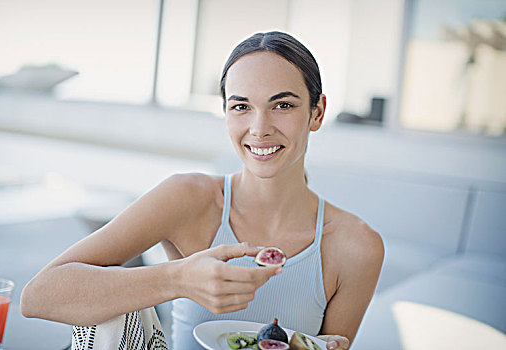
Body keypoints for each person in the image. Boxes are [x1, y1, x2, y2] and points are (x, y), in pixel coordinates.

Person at [20, 31, 384, 350]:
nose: (259, 128)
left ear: (317, 112)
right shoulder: (188, 198)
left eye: (283, 105)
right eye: (241, 106)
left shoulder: (356, 247)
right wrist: (178, 279)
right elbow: (39, 296)